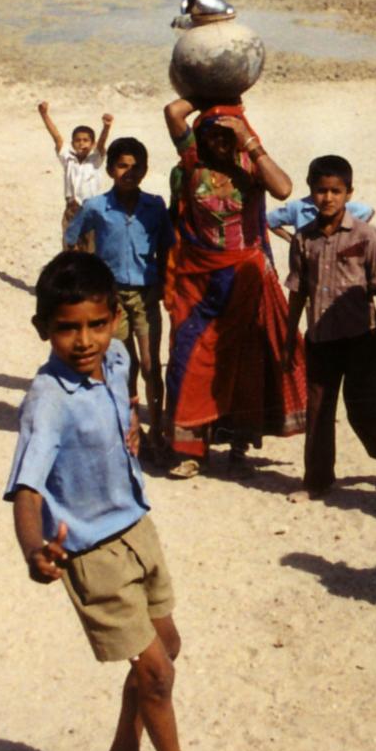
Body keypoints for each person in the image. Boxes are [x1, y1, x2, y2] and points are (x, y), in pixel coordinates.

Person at [5, 250, 223, 751]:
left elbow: (121, 403)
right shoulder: (47, 399)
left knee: (167, 644)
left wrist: (131, 425)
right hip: (90, 550)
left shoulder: (119, 358)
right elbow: (26, 487)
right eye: (67, 328)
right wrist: (34, 550)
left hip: (135, 525)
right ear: (43, 329)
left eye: (96, 324)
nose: (83, 340)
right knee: (153, 671)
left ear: (113, 322)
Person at [160, 97, 306, 478]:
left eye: (228, 137)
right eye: (214, 136)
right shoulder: (193, 164)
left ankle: (239, 445)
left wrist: (247, 138)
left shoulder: (250, 166)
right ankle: (190, 450)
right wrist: (211, 93)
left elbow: (284, 188)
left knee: (246, 362)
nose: (221, 143)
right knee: (186, 360)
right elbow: (174, 112)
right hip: (200, 279)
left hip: (246, 277)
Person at [286, 156, 376, 502]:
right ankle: (318, 481)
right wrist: (288, 336)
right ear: (311, 194)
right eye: (321, 191)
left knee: (362, 407)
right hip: (320, 339)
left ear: (349, 193)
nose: (328, 198)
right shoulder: (303, 239)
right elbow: (297, 291)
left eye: (336, 191)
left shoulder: (365, 235)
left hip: (361, 338)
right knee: (319, 411)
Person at [66, 137, 172, 458]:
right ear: (111, 169)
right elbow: (73, 240)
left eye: (136, 166)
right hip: (112, 298)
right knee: (125, 364)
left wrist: (162, 283)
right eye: (123, 165)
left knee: (152, 364)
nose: (129, 171)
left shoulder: (155, 207)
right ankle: (132, 427)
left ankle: (158, 433)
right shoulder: (96, 207)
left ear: (145, 169)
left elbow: (167, 249)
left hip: (145, 294)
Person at [37, 101, 113, 246]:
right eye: (77, 140)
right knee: (70, 248)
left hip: (91, 210)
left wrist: (106, 127)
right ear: (72, 143)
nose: (81, 143)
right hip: (72, 209)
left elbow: (102, 144)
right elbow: (57, 138)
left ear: (92, 144)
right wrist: (44, 114)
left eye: (86, 140)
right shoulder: (68, 159)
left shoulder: (95, 160)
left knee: (90, 248)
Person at [266, 191, 374, 243]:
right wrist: (292, 239)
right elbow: (270, 220)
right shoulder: (297, 207)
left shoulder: (341, 206)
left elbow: (368, 211)